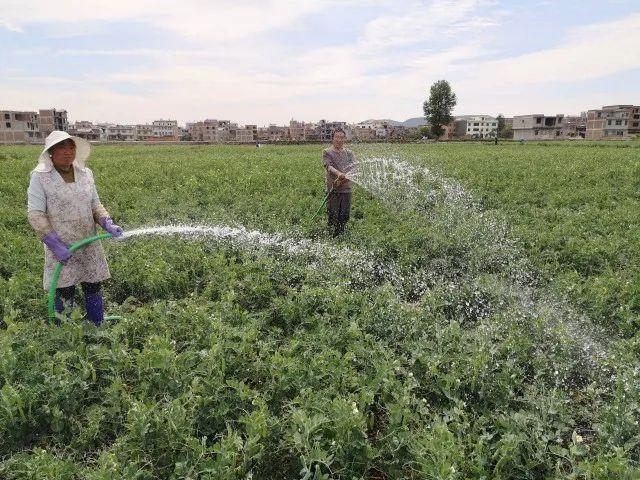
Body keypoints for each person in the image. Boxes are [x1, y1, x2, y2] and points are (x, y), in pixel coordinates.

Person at [27, 130, 124, 325]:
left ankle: (97, 323)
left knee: (93, 284)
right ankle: (67, 330)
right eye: (61, 147)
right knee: (64, 289)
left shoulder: (85, 173)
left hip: (88, 240)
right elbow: (35, 214)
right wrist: (55, 245)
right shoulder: (40, 177)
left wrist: (107, 222)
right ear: (50, 152)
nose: (67, 152)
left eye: (71, 147)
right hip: (62, 244)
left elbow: (95, 204)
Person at [322, 129, 355, 237]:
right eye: (337, 137)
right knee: (333, 214)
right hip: (333, 189)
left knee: (344, 215)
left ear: (344, 139)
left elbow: (353, 168)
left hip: (346, 188)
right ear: (333, 138)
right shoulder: (327, 152)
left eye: (342, 137)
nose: (339, 140)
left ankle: (341, 235)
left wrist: (344, 179)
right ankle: (331, 236)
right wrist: (339, 174)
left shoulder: (349, 153)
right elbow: (328, 167)